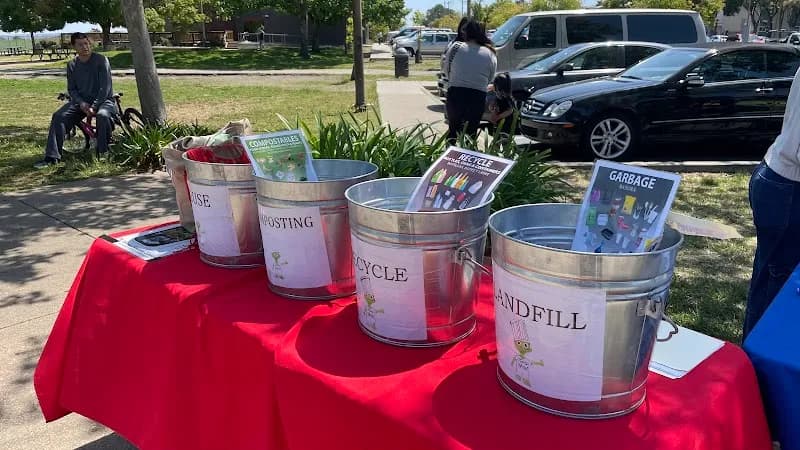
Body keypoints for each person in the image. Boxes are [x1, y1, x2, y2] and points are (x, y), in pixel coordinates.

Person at [743, 65, 800, 339]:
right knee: (778, 290)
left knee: (774, 282)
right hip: (789, 189)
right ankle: (759, 373)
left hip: (781, 180)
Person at [35, 32, 114, 168]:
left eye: (87, 43)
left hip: (104, 101)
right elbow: (72, 89)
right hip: (81, 103)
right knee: (59, 116)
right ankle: (52, 157)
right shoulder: (71, 65)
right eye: (80, 44)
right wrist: (81, 103)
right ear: (73, 47)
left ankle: (103, 152)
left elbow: (105, 88)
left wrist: (94, 107)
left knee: (102, 115)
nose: (85, 47)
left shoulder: (101, 60)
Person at [442, 19, 497, 144]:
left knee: (453, 130)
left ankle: (449, 160)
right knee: (471, 132)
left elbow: (446, 70)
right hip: (478, 96)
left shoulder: (456, 47)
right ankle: (467, 158)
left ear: (466, 32)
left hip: (456, 92)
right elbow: (490, 77)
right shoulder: (490, 53)